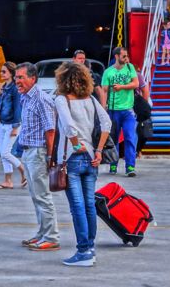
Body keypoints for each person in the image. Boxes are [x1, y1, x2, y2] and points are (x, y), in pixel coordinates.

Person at [53, 62, 111, 267]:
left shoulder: (61, 100)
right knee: (88, 205)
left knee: (77, 206)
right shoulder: (91, 100)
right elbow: (107, 123)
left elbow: (68, 126)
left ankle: (83, 251)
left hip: (73, 157)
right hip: (92, 159)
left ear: (63, 79)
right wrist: (98, 150)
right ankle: (90, 247)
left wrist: (77, 145)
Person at [15, 62, 60, 251]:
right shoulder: (26, 97)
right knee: (35, 195)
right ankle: (42, 233)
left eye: (21, 77)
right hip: (29, 151)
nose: (17, 81)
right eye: (16, 77)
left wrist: (50, 157)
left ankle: (51, 236)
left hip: (38, 151)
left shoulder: (41, 99)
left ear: (33, 79)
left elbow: (51, 130)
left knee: (42, 195)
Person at [101, 47, 139, 176]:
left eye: (126, 55)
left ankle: (130, 167)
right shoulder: (108, 72)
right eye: (123, 56)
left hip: (128, 110)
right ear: (116, 56)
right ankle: (113, 164)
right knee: (114, 138)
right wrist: (103, 108)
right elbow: (104, 90)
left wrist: (122, 87)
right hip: (113, 110)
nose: (126, 58)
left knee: (130, 137)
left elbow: (136, 84)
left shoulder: (130, 68)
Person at [0, 62, 26, 190]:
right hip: (2, 124)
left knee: (6, 153)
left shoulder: (15, 89)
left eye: (4, 72)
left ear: (11, 74)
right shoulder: (4, 88)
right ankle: (8, 181)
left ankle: (23, 171)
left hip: (12, 125)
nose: (1, 74)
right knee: (3, 154)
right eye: (1, 71)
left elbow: (18, 108)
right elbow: (2, 106)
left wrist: (15, 127)